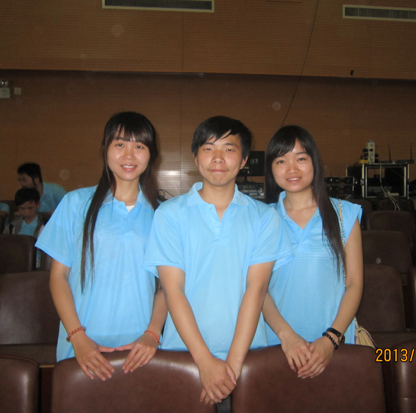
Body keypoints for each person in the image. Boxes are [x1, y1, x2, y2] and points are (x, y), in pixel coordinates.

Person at [144, 116, 292, 406]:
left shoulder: (265, 217)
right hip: (184, 357)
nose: (218, 158)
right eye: (208, 148)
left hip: (249, 359)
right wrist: (205, 361)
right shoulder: (170, 215)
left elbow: (256, 290)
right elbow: (173, 291)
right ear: (196, 158)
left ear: (244, 159)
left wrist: (231, 369)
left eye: (229, 149)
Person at [35, 112, 167, 381]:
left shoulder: (163, 215)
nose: (129, 155)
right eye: (119, 144)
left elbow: (168, 285)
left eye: (139, 146)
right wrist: (77, 338)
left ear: (151, 155)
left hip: (141, 347)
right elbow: (58, 277)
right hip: (82, 346)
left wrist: (152, 334)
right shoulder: (75, 203)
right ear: (105, 149)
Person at [262, 125, 363, 379]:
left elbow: (354, 283)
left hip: (335, 343)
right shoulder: (262, 219)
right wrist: (287, 336)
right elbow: (257, 289)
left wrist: (331, 339)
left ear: (314, 163)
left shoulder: (344, 214)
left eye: (301, 158)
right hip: (276, 344)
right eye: (281, 161)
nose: (291, 169)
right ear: (271, 169)